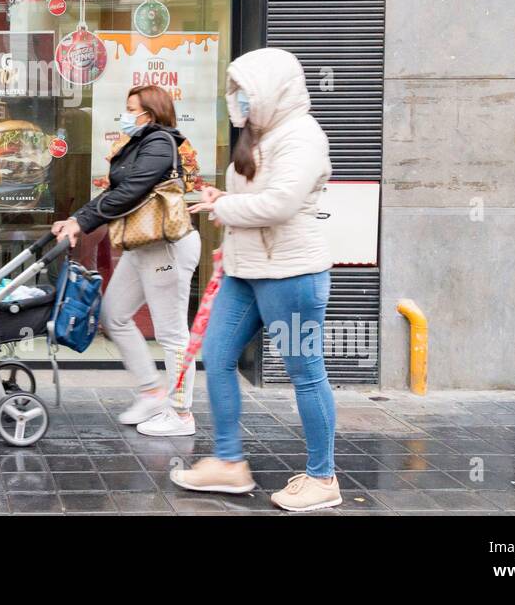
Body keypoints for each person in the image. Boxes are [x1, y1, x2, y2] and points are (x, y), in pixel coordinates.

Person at [170, 47, 340, 511]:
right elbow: (259, 197)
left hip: (291, 275)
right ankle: (228, 462)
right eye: (237, 91)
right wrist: (223, 196)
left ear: (272, 91)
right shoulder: (261, 135)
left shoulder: (302, 136)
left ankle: (323, 477)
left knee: (305, 373)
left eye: (246, 92)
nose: (239, 100)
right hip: (246, 271)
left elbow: (281, 204)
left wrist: (220, 207)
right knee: (218, 356)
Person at [53, 84, 201, 437]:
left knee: (171, 332)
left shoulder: (160, 143)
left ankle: (181, 413)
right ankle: (152, 390)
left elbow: (131, 190)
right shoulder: (139, 143)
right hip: (141, 245)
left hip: (166, 246)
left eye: (130, 107)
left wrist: (81, 221)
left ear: (148, 113)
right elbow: (114, 192)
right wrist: (77, 220)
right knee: (114, 314)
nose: (125, 113)